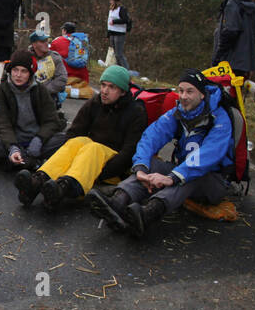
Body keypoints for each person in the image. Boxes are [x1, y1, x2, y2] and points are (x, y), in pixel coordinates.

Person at [90, 69, 232, 238]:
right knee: (152, 165)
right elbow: (151, 137)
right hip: (182, 170)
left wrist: (172, 177)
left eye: (190, 91)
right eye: (180, 90)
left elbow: (208, 156)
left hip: (213, 181)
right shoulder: (178, 113)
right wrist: (141, 169)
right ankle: (118, 201)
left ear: (202, 94)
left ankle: (149, 213)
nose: (184, 96)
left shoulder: (220, 119)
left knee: (189, 177)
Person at [28, 65, 147, 212]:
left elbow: (129, 152)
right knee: (78, 141)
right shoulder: (95, 102)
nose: (104, 91)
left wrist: (98, 172)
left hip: (112, 167)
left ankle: (66, 187)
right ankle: (40, 179)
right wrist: (74, 161)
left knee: (93, 147)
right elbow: (74, 132)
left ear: (122, 91)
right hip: (86, 161)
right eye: (103, 85)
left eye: (112, 87)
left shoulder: (136, 113)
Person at [0, 51, 67, 171]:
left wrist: (39, 140)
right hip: (11, 140)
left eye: (23, 71)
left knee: (65, 139)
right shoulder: (0, 91)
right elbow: (1, 123)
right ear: (10, 71)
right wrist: (13, 147)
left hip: (36, 141)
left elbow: (51, 121)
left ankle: (15, 162)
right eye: (15, 70)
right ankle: (29, 161)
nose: (18, 75)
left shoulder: (41, 91)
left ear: (30, 74)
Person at [210, 0, 255, 79]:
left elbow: (230, 31)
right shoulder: (250, 5)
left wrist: (217, 58)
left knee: (225, 95)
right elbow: (254, 35)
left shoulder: (232, 4)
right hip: (244, 64)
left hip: (229, 63)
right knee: (237, 96)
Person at [29, 31, 68, 105]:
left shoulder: (55, 58)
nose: (46, 43)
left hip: (49, 96)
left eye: (46, 41)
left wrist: (44, 91)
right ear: (34, 45)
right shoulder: (26, 57)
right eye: (42, 41)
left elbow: (62, 79)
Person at [106, 0, 132, 72]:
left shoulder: (122, 9)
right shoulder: (111, 9)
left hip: (119, 33)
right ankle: (119, 69)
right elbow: (108, 22)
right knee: (115, 54)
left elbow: (125, 20)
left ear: (115, 1)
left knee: (119, 54)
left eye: (111, 0)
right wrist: (108, 34)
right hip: (112, 33)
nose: (110, 2)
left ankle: (126, 69)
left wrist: (115, 21)